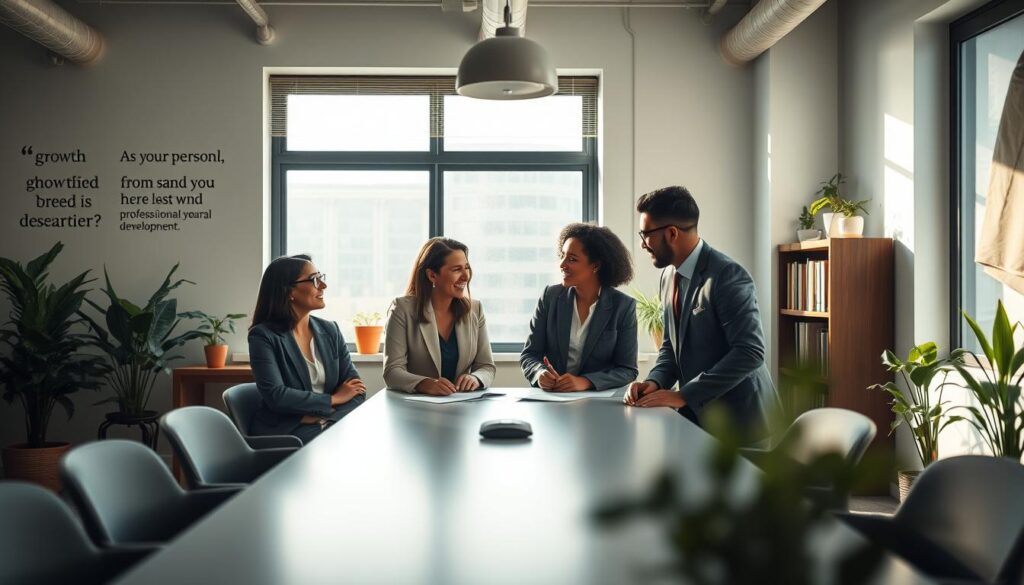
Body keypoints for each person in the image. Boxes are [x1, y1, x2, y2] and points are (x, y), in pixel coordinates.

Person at [624, 186, 778, 443]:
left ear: (672, 233)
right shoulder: (668, 276)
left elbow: (750, 352)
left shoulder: (727, 275)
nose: (642, 244)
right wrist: (654, 382)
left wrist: (685, 395)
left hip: (742, 426)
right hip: (698, 421)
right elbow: (670, 348)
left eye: (645, 234)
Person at [248, 255, 366, 444]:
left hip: (328, 425)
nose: (323, 286)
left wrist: (327, 418)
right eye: (314, 280)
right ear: (289, 292)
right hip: (286, 432)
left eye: (321, 277)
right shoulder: (263, 336)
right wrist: (332, 400)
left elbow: (356, 389)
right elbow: (277, 396)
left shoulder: (331, 330)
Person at [520, 223, 639, 391]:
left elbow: (627, 370)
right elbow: (530, 354)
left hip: (597, 402)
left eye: (572, 259)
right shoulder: (550, 297)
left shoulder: (623, 307)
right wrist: (539, 373)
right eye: (562, 256)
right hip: (552, 398)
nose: (562, 264)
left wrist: (586, 381)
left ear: (596, 266)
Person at [383, 237, 496, 394]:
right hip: (416, 406)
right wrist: (425, 384)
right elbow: (392, 371)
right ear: (432, 275)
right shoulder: (402, 309)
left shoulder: (475, 309)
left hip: (462, 404)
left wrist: (476, 378)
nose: (466, 276)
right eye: (457, 269)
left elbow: (486, 366)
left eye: (467, 267)